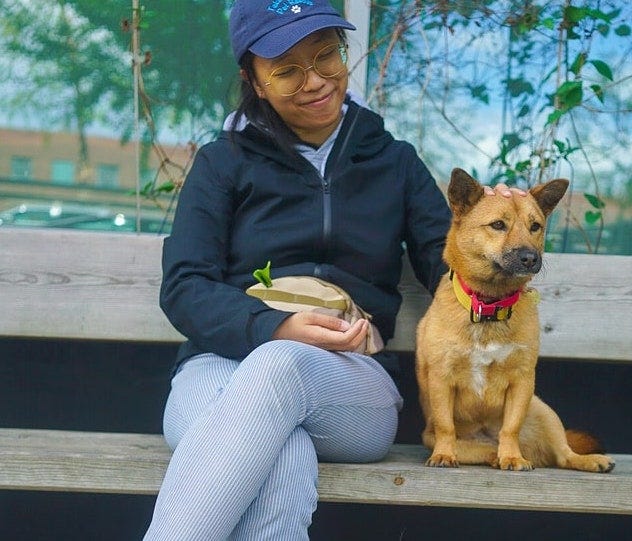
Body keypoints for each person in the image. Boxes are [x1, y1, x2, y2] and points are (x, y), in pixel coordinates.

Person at [143, 2, 521, 539]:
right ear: (253, 79)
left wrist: (492, 221)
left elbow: (449, 264)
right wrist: (273, 326)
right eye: (288, 68)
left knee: (280, 369)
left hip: (352, 381)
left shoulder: (394, 162)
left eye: (326, 56)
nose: (316, 81)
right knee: (284, 450)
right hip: (218, 366)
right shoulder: (223, 161)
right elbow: (185, 285)